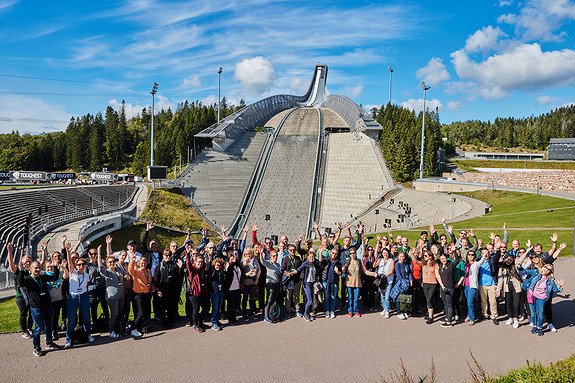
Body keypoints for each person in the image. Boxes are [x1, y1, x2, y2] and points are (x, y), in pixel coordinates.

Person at [18, 259, 63, 356]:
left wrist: (55, 267)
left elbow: (55, 277)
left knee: (49, 326)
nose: (38, 269)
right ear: (30, 269)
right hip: (36, 308)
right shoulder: (28, 280)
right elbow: (20, 283)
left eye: (39, 267)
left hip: (48, 305)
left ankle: (50, 343)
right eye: (35, 268)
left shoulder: (43, 277)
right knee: (38, 329)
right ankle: (37, 347)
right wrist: (21, 271)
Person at [63, 242, 94, 348]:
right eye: (79, 264)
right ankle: (69, 338)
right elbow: (69, 263)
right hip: (73, 297)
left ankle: (88, 334)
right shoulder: (73, 272)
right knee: (72, 319)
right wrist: (68, 251)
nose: (81, 266)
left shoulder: (86, 274)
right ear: (76, 266)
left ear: (86, 265)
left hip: (83, 296)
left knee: (86, 317)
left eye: (83, 264)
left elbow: (86, 286)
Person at [521, 264, 564, 336]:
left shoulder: (550, 280)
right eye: (545, 267)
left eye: (548, 269)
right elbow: (524, 272)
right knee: (533, 313)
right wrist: (519, 265)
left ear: (550, 272)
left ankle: (540, 328)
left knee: (540, 314)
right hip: (532, 295)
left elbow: (555, 290)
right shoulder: (536, 272)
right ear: (543, 267)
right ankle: (534, 326)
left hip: (541, 298)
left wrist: (559, 286)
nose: (546, 269)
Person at [6, 243, 34, 339]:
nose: (28, 262)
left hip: (30, 295)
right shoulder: (18, 271)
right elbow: (11, 264)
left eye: (29, 261)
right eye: (26, 260)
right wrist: (10, 251)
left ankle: (30, 328)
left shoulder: (30, 272)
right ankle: (24, 331)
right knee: (23, 313)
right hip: (21, 296)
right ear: (21, 260)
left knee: (31, 312)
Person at [97, 243, 125, 338]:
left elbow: (125, 275)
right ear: (107, 264)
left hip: (121, 295)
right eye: (110, 262)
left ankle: (119, 330)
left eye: (113, 261)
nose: (112, 263)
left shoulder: (119, 269)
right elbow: (100, 267)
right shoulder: (107, 272)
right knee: (114, 314)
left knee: (120, 314)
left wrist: (127, 276)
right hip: (112, 297)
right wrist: (99, 253)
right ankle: (111, 330)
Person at [343, 245, 377, 317]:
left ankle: (356, 310)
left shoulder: (359, 261)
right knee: (350, 298)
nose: (352, 255)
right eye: (351, 253)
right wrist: (343, 269)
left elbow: (365, 271)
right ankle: (350, 311)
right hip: (349, 282)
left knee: (356, 298)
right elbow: (344, 271)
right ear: (349, 254)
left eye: (354, 253)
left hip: (357, 282)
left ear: (356, 253)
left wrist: (373, 274)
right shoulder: (348, 261)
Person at [496, 251, 528, 329]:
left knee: (516, 305)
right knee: (508, 305)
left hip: (516, 288)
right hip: (507, 288)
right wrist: (498, 290)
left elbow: (520, 260)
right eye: (507, 260)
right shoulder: (502, 268)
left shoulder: (515, 266)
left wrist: (526, 251)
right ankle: (510, 318)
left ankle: (516, 319)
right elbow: (500, 280)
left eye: (510, 260)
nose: (508, 261)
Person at [153, 249, 183, 329]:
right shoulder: (160, 265)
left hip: (172, 290)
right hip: (163, 290)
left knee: (171, 307)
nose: (168, 257)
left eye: (169, 255)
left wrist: (180, 268)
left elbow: (179, 277)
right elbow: (156, 278)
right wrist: (158, 289)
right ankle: (164, 322)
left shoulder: (173, 264)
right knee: (162, 307)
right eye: (166, 255)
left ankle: (170, 321)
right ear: (163, 256)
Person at [128, 253, 154, 337]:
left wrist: (152, 286)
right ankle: (133, 328)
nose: (143, 264)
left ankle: (143, 327)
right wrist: (132, 260)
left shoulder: (148, 271)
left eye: (144, 263)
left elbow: (150, 281)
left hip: (147, 294)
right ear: (139, 264)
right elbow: (130, 269)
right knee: (141, 312)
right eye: (142, 263)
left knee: (146, 312)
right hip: (138, 294)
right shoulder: (136, 272)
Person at [185, 253, 210, 333]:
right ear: (195, 262)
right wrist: (187, 254)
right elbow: (188, 264)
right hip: (194, 293)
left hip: (203, 292)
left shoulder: (203, 270)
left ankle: (201, 322)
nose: (200, 263)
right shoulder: (192, 270)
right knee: (196, 309)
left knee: (206, 308)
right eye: (198, 262)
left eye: (202, 262)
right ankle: (196, 325)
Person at [45, 256, 69, 341]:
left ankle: (54, 331)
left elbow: (66, 276)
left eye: (51, 266)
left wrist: (64, 268)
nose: (50, 268)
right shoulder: (44, 275)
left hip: (58, 299)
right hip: (49, 300)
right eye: (48, 267)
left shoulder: (58, 274)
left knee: (56, 317)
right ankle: (48, 332)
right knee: (49, 318)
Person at [294, 250, 321, 322]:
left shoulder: (314, 263)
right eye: (310, 257)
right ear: (307, 257)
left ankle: (308, 313)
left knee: (310, 299)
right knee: (310, 300)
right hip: (307, 284)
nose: (311, 258)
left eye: (312, 257)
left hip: (312, 283)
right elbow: (298, 270)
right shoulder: (305, 264)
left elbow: (321, 263)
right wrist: (291, 273)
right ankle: (305, 314)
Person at [258, 248, 282, 323]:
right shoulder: (269, 263)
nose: (275, 257)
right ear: (271, 257)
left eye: (276, 256)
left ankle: (272, 314)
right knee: (269, 300)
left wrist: (280, 285)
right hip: (270, 284)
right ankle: (266, 316)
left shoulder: (278, 264)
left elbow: (279, 275)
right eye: (273, 256)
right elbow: (263, 261)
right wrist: (261, 254)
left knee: (274, 300)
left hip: (277, 284)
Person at [437, 253, 460, 327]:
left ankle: (449, 322)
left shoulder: (450, 265)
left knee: (449, 304)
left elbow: (457, 260)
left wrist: (454, 251)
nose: (443, 260)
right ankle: (447, 317)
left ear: (447, 258)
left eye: (444, 258)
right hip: (442, 287)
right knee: (445, 303)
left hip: (450, 287)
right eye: (441, 259)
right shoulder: (440, 266)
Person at [463, 250, 485, 326]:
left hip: (473, 286)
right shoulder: (466, 264)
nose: (471, 256)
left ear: (475, 256)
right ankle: (469, 315)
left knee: (470, 302)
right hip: (466, 285)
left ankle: (472, 318)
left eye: (472, 255)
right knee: (467, 302)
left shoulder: (476, 264)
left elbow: (481, 262)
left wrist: (484, 255)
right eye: (469, 254)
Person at [282, 243, 302, 318]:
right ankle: (288, 311)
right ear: (288, 251)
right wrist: (288, 273)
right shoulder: (285, 259)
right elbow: (282, 269)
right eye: (291, 250)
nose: (292, 251)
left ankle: (297, 310)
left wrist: (295, 273)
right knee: (288, 297)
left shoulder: (297, 258)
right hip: (289, 281)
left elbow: (300, 269)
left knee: (296, 296)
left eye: (294, 250)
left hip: (296, 280)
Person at [390, 251, 412, 320]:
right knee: (399, 298)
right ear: (398, 257)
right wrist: (403, 282)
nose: (402, 258)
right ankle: (399, 312)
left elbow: (409, 273)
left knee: (405, 298)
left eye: (403, 256)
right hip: (400, 283)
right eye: (400, 256)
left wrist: (410, 280)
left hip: (406, 282)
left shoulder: (406, 264)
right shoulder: (397, 264)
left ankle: (404, 311)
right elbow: (398, 274)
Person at [320, 248, 342, 319]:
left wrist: (337, 271)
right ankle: (327, 310)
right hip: (326, 281)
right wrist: (320, 253)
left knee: (333, 296)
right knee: (326, 296)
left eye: (335, 254)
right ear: (330, 253)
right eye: (333, 253)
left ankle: (332, 310)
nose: (334, 255)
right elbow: (320, 263)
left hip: (334, 281)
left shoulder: (338, 262)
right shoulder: (326, 260)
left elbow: (340, 273)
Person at [240, 247, 260, 320]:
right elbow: (243, 267)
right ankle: (244, 314)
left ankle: (252, 312)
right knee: (245, 299)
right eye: (246, 254)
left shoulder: (254, 260)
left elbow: (259, 269)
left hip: (253, 282)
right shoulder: (243, 261)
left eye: (249, 254)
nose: (248, 256)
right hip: (246, 282)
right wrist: (249, 272)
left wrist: (256, 280)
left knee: (253, 298)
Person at [374, 247, 395, 319]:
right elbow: (374, 266)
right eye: (384, 253)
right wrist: (376, 260)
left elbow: (391, 271)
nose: (385, 254)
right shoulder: (381, 260)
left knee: (386, 297)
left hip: (388, 281)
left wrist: (385, 276)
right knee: (382, 296)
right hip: (381, 281)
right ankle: (385, 308)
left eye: (387, 253)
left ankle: (387, 310)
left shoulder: (391, 260)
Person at [420, 251, 440, 324]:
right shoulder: (424, 264)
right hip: (425, 283)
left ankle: (431, 317)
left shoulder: (435, 264)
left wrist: (441, 284)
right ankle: (429, 314)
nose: (424, 257)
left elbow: (437, 274)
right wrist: (422, 281)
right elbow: (423, 273)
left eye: (425, 256)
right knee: (427, 299)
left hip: (433, 283)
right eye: (423, 256)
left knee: (429, 300)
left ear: (430, 256)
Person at [224, 251, 242, 325]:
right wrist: (231, 264)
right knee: (230, 305)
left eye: (234, 259)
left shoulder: (237, 267)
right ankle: (230, 320)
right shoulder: (229, 267)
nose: (233, 260)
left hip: (237, 288)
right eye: (231, 259)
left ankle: (234, 318)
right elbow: (227, 275)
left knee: (235, 304)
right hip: (230, 289)